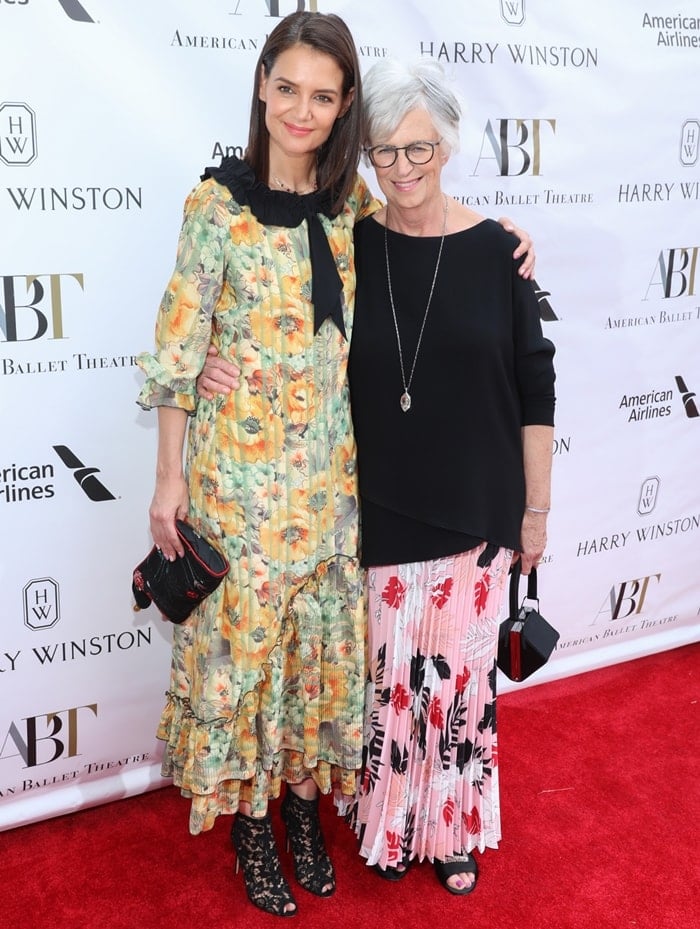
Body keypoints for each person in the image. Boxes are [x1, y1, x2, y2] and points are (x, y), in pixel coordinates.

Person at [141, 11, 536, 918]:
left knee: (317, 664)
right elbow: (172, 354)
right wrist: (169, 482)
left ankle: (309, 814)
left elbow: (434, 233)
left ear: (345, 105)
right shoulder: (217, 206)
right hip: (237, 487)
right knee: (249, 665)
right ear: (262, 87)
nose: (302, 111)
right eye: (288, 89)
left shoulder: (355, 206)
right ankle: (252, 825)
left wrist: (506, 244)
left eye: (323, 96)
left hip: (332, 490)